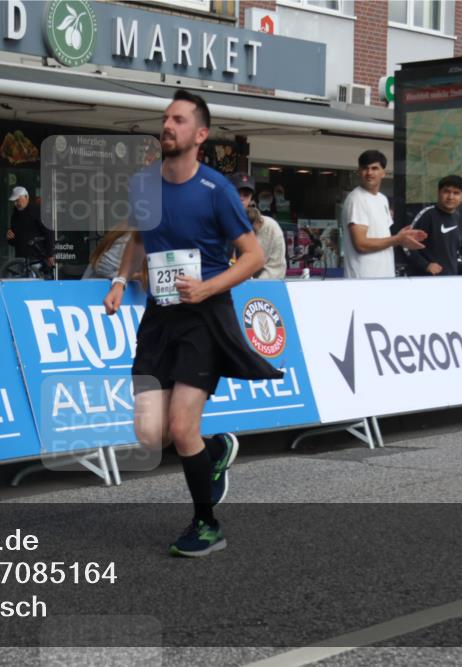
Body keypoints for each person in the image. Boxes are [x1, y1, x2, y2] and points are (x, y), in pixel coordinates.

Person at [104, 90, 282, 558]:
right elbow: (138, 237)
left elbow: (253, 256)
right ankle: (215, 449)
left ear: (200, 135)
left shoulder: (216, 190)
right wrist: (120, 280)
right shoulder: (145, 185)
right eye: (165, 118)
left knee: (182, 427)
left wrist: (206, 288)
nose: (168, 125)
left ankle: (206, 524)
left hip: (204, 316)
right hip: (159, 316)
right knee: (151, 434)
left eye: (179, 120)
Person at [341, 150, 426, 278]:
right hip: (363, 280)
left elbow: (382, 237)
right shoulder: (356, 199)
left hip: (384, 277)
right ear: (359, 171)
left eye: (374, 168)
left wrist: (401, 238)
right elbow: (361, 244)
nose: (369, 173)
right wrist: (397, 239)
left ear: (383, 173)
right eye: (365, 168)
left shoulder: (382, 199)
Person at [406, 175, 462, 283]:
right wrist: (426, 265)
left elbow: (455, 254)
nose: (450, 197)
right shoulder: (428, 215)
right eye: (446, 191)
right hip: (426, 282)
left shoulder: (457, 219)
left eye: (456, 193)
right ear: (439, 193)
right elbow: (406, 245)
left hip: (450, 281)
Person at [231, 172, 287, 279]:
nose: (241, 198)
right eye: (236, 193)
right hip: (224, 285)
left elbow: (275, 268)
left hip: (260, 287)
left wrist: (254, 286)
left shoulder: (270, 227)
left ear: (251, 198)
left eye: (246, 194)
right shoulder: (217, 223)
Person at [6, 186, 54, 271]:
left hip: (36, 258)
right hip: (20, 259)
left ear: (26, 197)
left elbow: (49, 232)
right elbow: (14, 241)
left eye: (17, 200)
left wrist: (50, 254)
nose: (16, 204)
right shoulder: (15, 215)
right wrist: (9, 237)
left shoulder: (37, 211)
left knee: (36, 278)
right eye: (14, 201)